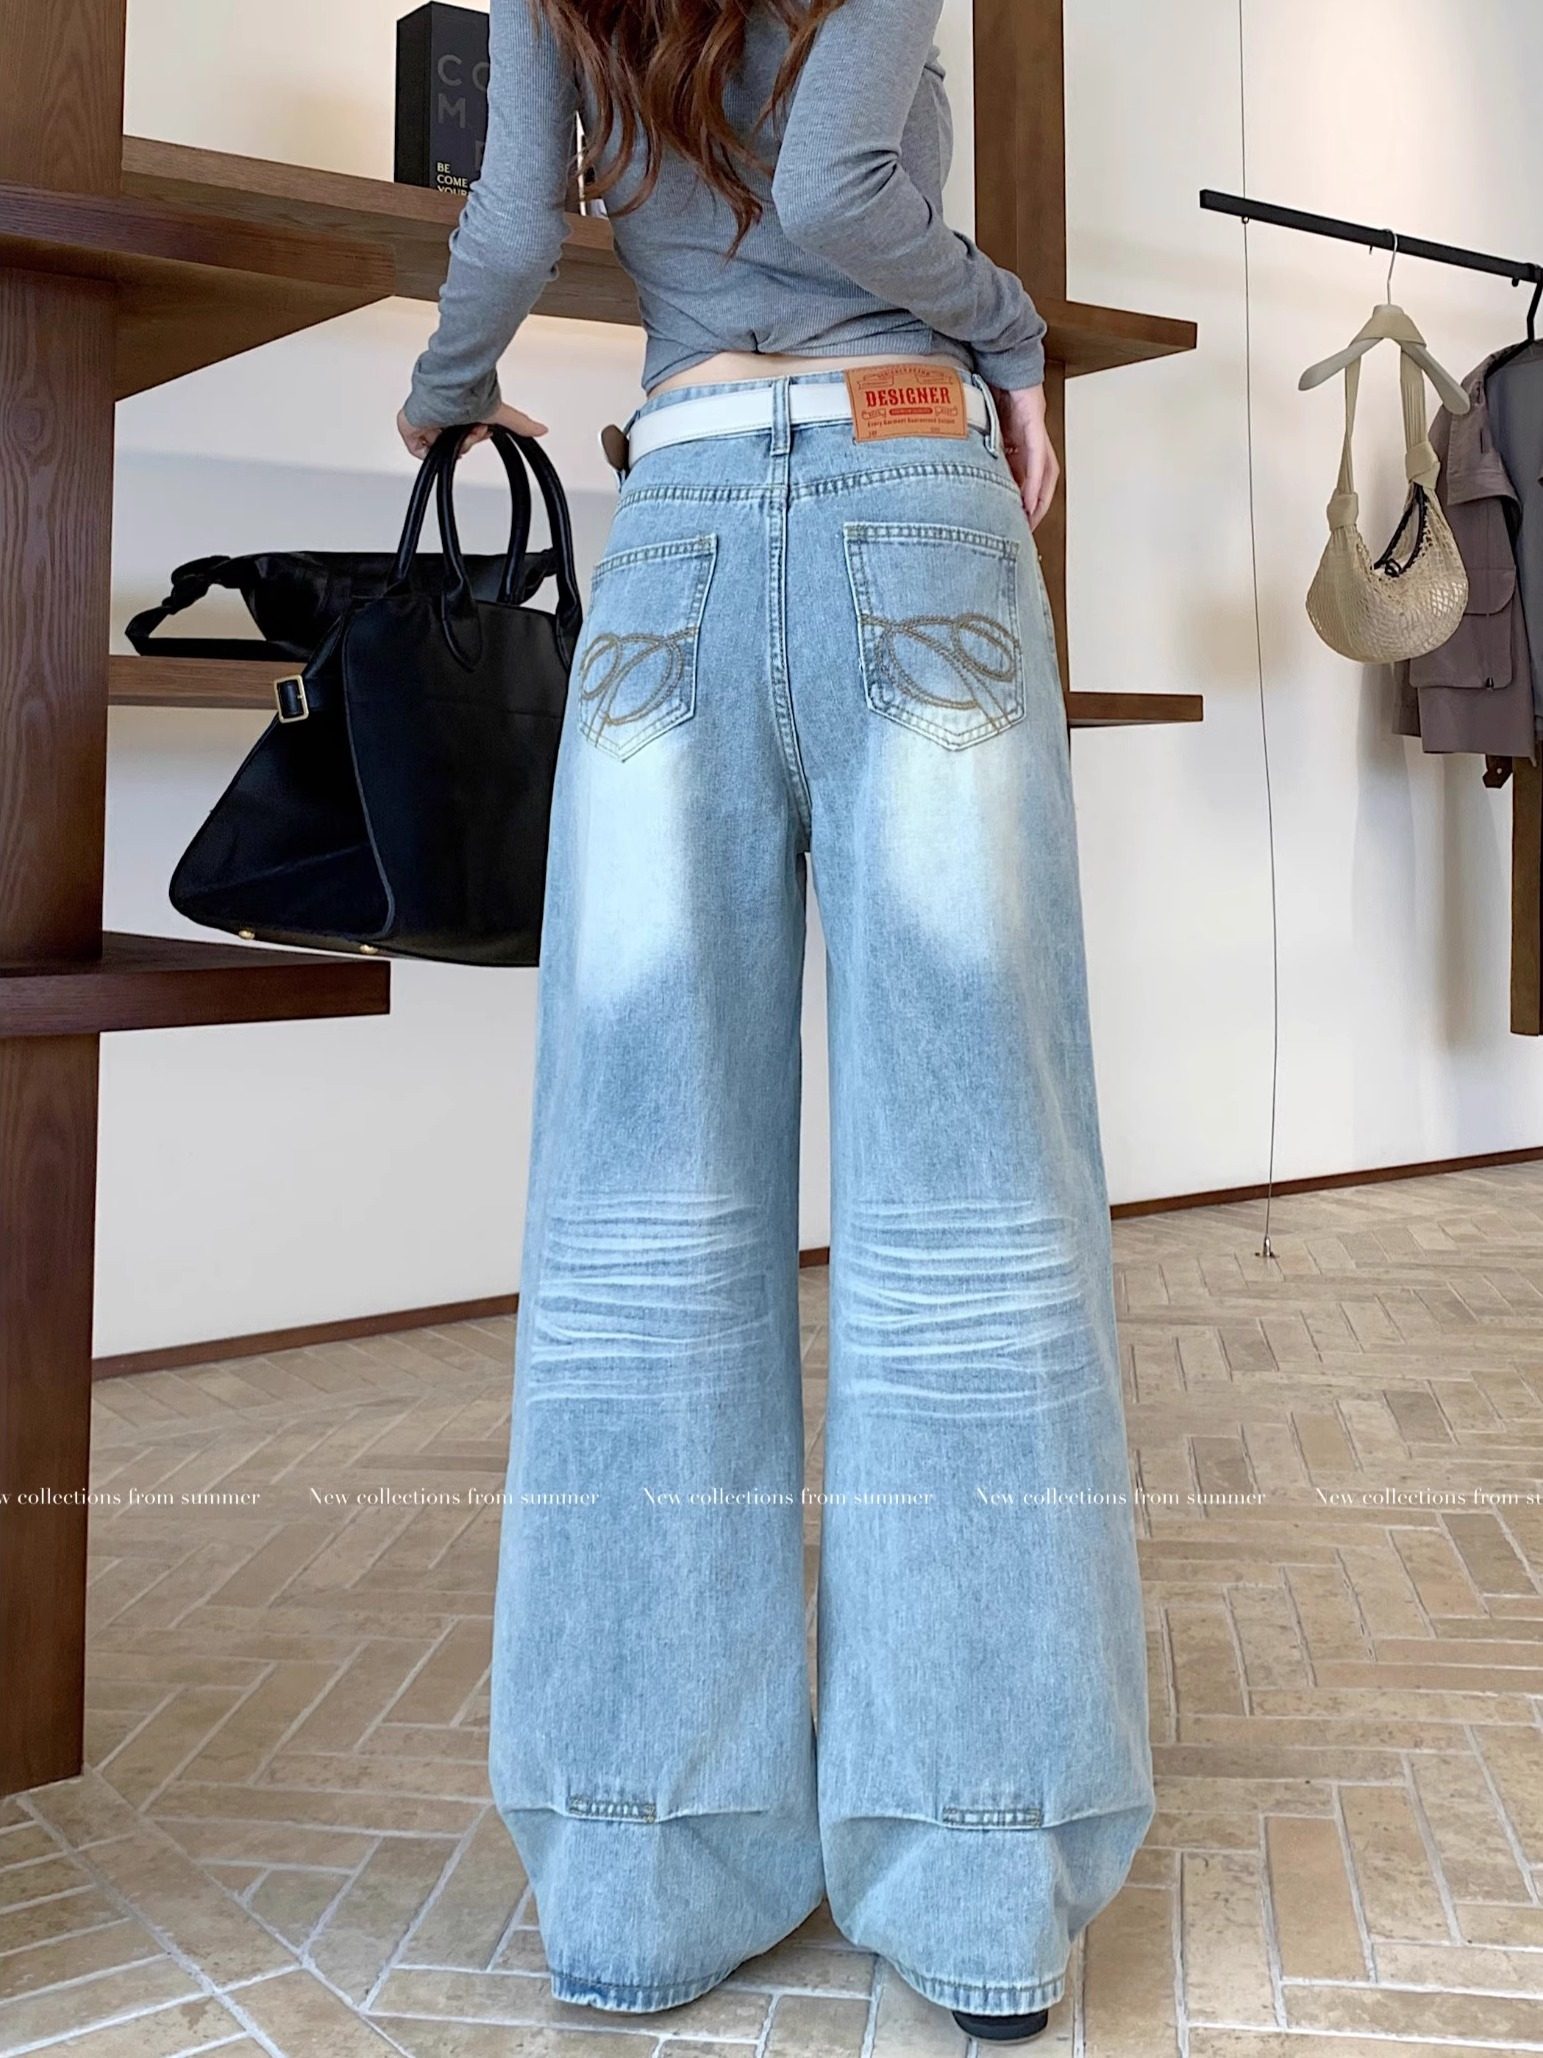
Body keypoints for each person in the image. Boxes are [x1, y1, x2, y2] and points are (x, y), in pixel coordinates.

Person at [398, 0, 1152, 2043]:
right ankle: (980, 1870)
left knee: (638, 1227)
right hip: (913, 490)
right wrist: (1013, 332)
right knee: (975, 1220)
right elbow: (840, 183)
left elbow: (507, 224)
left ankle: (638, 1867)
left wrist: (447, 393)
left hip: (682, 528)